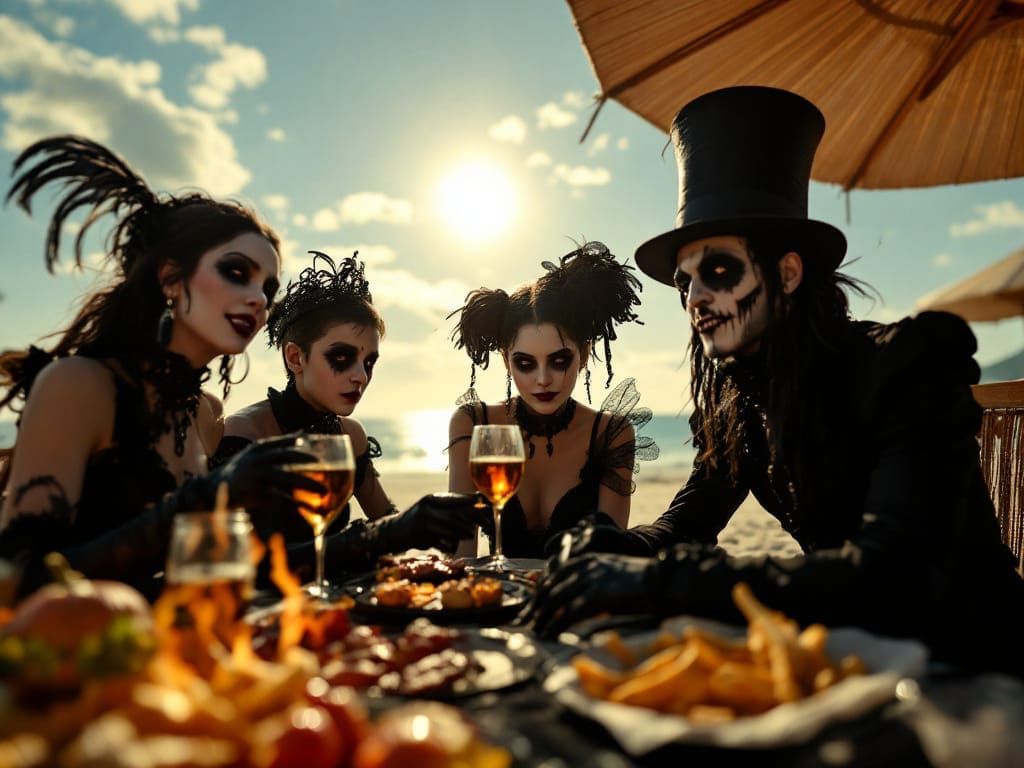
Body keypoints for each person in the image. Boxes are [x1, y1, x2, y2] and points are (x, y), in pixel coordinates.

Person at [524, 87, 1024, 677]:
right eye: (685, 282)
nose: (695, 298)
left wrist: (661, 581)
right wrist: (609, 546)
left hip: (981, 667)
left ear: (788, 273)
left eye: (717, 271)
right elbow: (689, 520)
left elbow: (895, 578)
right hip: (866, 663)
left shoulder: (905, 366)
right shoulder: (738, 400)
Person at [0, 135, 320, 599]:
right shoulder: (80, 386)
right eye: (236, 271)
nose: (258, 298)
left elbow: (218, 571)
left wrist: (387, 538)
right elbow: (17, 578)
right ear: (170, 278)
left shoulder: (203, 413)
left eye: (268, 288)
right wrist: (206, 500)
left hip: (176, 658)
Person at [447, 242, 658, 560]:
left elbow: (610, 558)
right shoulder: (474, 424)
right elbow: (461, 556)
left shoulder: (611, 433)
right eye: (525, 363)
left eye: (559, 361)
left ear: (584, 355)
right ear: (506, 361)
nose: (543, 379)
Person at [212, 250, 398, 541]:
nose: (361, 375)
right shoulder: (246, 434)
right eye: (341, 357)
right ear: (295, 358)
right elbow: (237, 557)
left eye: (369, 361)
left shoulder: (350, 436)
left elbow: (390, 527)